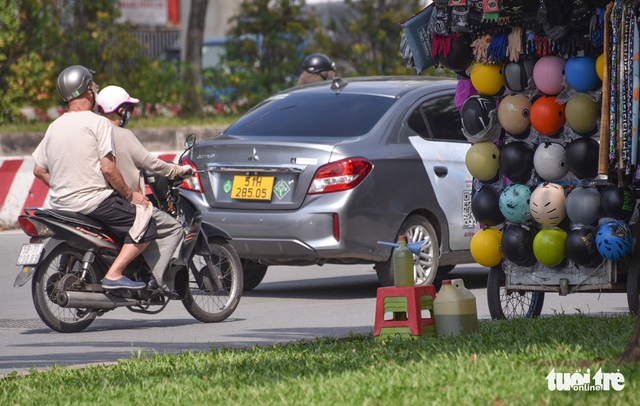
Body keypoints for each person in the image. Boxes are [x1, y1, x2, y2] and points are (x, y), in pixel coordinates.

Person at [32, 65, 151, 291]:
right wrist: (130, 195)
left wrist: (63, 187)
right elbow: (108, 169)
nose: (96, 90)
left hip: (60, 204)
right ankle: (114, 273)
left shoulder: (54, 126)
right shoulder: (98, 123)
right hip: (94, 203)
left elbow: (39, 169)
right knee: (147, 223)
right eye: (94, 86)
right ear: (88, 91)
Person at [96, 85, 193, 296]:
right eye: (128, 109)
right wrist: (177, 170)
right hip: (122, 200)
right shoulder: (122, 134)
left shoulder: (92, 131)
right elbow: (151, 163)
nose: (129, 114)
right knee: (172, 227)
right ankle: (158, 282)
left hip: (96, 201)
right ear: (120, 110)